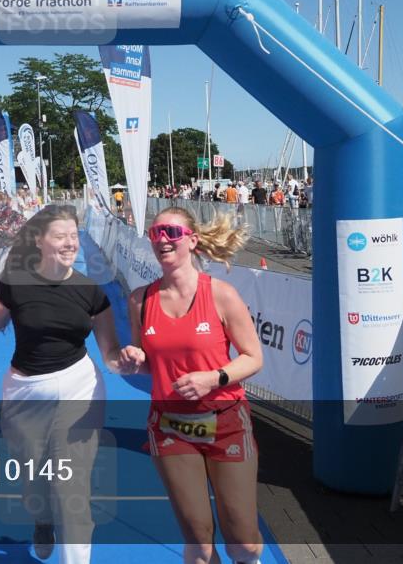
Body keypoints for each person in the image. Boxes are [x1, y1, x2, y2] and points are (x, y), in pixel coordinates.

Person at [0, 204, 134, 564]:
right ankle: (41, 519)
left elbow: (110, 353)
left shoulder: (91, 292)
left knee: (71, 489)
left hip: (78, 390)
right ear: (38, 240)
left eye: (72, 236)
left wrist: (124, 361)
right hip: (24, 394)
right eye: (60, 236)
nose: (70, 243)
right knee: (33, 483)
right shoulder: (14, 284)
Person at [123, 206, 264, 564]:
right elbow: (150, 365)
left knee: (243, 541)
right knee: (199, 540)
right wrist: (134, 363)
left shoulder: (221, 294)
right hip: (170, 426)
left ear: (192, 240)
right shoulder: (140, 300)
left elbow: (253, 357)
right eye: (155, 233)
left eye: (171, 232)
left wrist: (212, 378)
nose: (162, 240)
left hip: (226, 421)